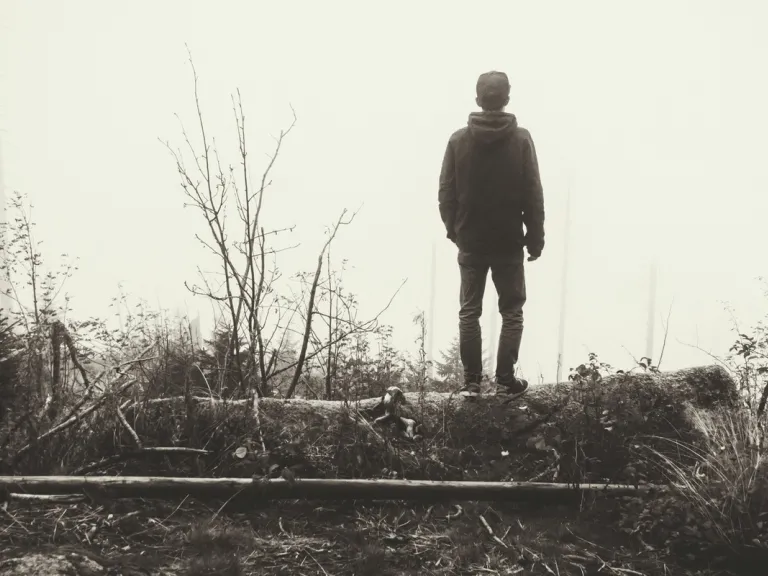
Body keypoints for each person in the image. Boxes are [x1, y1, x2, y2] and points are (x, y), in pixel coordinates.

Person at [438, 70, 545, 399]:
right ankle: (504, 382)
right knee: (511, 310)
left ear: (477, 99)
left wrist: (454, 231)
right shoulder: (522, 139)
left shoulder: (458, 140)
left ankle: (471, 383)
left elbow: (446, 194)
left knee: (469, 310)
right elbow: (533, 193)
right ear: (507, 99)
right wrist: (535, 237)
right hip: (509, 240)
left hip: (471, 239)